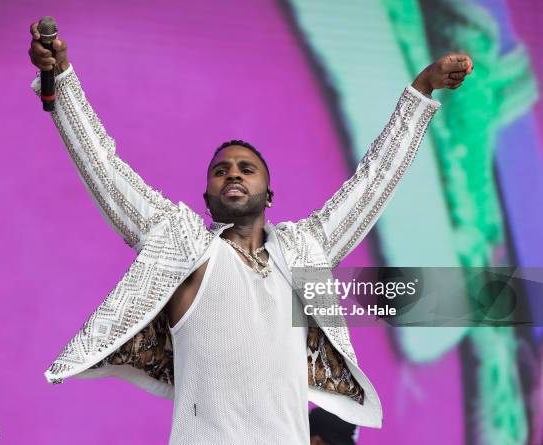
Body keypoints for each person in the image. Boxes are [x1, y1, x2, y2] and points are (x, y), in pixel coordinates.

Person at [28, 20, 472, 445]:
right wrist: (62, 81)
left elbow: (373, 181)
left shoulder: (305, 250)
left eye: (247, 168)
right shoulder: (184, 245)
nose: (233, 174)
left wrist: (420, 91)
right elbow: (105, 170)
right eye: (220, 171)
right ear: (206, 197)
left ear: (269, 194)